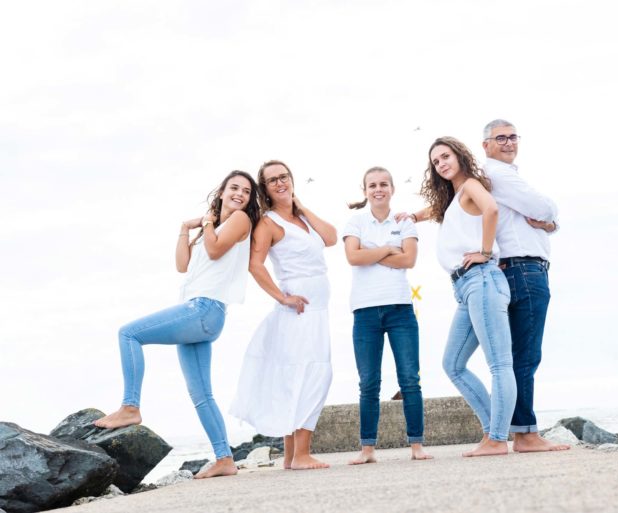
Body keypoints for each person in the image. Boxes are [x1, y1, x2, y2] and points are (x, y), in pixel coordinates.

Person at [94, 170, 260, 479]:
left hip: (204, 309)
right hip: (200, 315)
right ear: (221, 191)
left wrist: (208, 222)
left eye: (247, 191)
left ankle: (130, 407)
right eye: (234, 188)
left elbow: (214, 249)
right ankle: (224, 458)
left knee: (129, 333)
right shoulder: (214, 226)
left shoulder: (239, 221)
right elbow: (183, 265)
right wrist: (185, 228)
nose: (240, 194)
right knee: (201, 395)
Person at [230, 160, 337, 470]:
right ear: (265, 189)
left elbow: (330, 238)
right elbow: (255, 264)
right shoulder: (268, 222)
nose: (280, 183)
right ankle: (302, 454)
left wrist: (301, 207)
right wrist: (282, 297)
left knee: (304, 374)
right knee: (309, 375)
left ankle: (292, 456)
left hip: (318, 311)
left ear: (292, 180)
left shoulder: (302, 218)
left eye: (284, 177)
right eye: (272, 180)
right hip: (298, 312)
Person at [418, 136, 516, 457]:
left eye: (445, 156)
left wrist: (485, 252)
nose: (442, 163)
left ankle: (498, 439)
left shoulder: (472, 184)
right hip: (465, 288)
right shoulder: (455, 197)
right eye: (436, 161)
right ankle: (493, 432)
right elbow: (439, 210)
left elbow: (491, 209)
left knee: (499, 364)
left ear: (459, 156)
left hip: (482, 280)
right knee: (453, 364)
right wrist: (413, 217)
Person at [480, 119, 569, 452]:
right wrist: (548, 218)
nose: (508, 142)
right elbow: (544, 208)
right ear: (486, 145)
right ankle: (525, 434)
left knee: (518, 355)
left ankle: (516, 430)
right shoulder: (499, 175)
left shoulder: (504, 176)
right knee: (525, 355)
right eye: (500, 138)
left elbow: (547, 220)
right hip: (525, 270)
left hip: (520, 269)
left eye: (513, 136)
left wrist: (548, 223)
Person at [342, 167, 432, 465]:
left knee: (410, 379)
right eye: (372, 185)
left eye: (383, 184)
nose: (378, 189)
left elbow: (410, 259)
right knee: (369, 382)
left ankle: (416, 445)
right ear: (365, 190)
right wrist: (386, 249)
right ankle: (367, 449)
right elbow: (353, 257)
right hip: (364, 310)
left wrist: (372, 252)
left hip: (400, 309)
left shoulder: (404, 222)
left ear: (392, 188)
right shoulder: (355, 221)